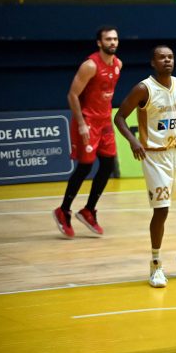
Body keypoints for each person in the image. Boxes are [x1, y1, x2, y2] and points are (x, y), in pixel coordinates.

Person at [114, 46, 176, 287]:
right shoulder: (143, 88)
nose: (167, 60)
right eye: (161, 57)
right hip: (154, 157)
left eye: (170, 57)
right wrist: (134, 141)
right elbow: (119, 117)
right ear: (153, 62)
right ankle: (156, 264)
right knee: (161, 211)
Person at [53, 26, 121, 239]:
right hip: (87, 121)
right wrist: (81, 124)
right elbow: (72, 95)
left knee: (108, 164)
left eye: (115, 39)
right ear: (99, 43)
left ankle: (89, 210)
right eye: (108, 39)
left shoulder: (118, 64)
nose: (112, 42)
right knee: (85, 166)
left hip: (104, 121)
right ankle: (64, 210)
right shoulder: (90, 65)